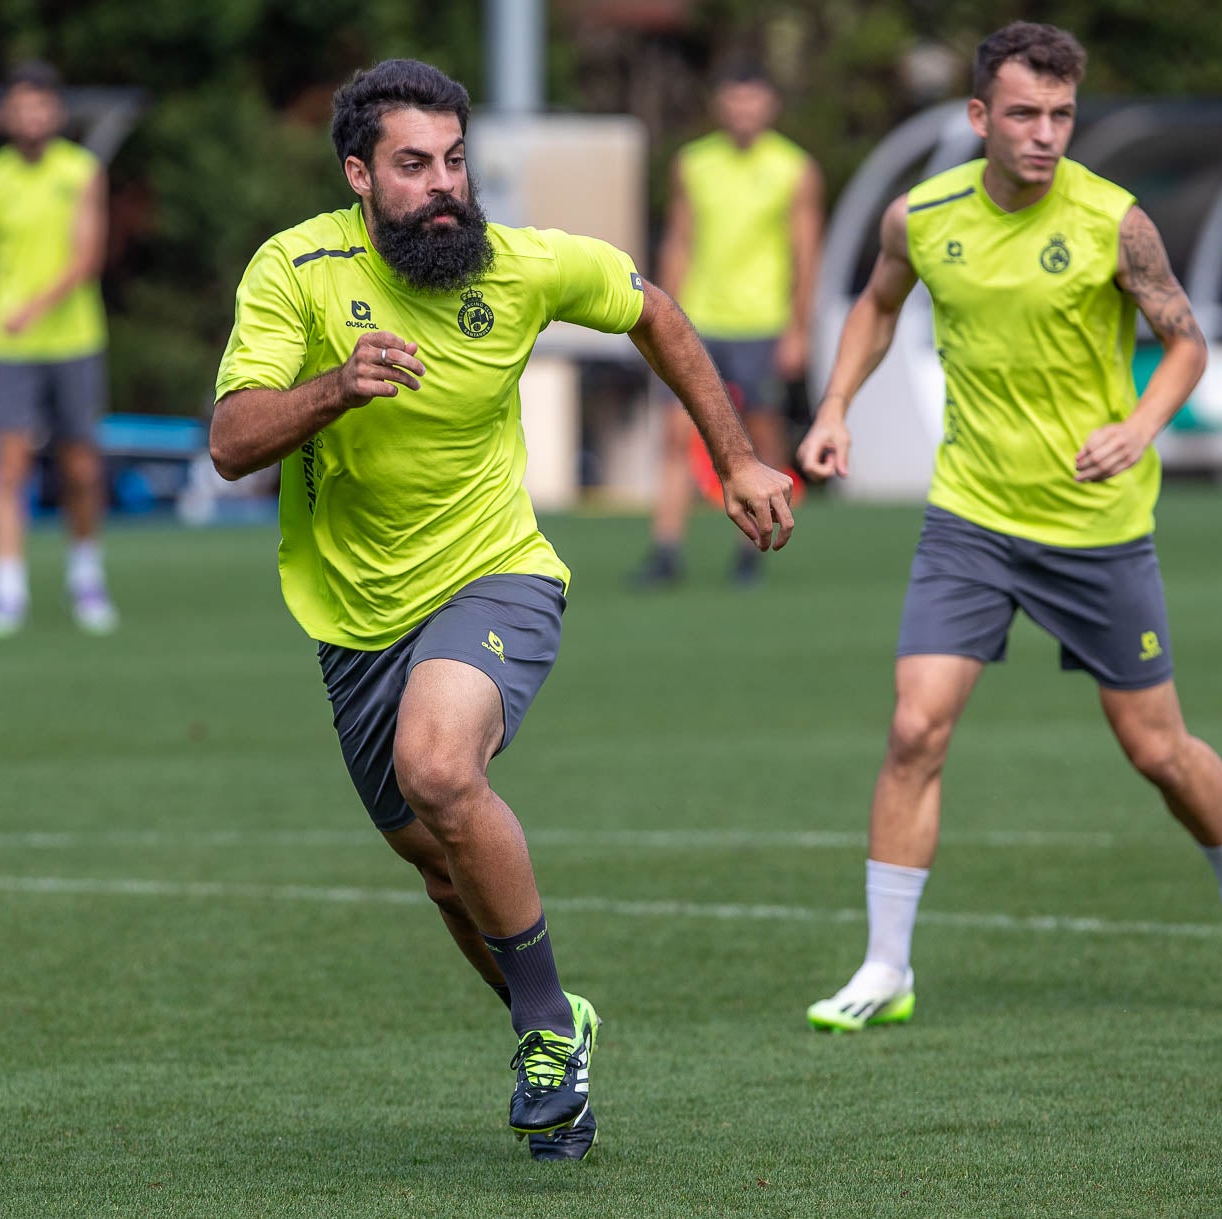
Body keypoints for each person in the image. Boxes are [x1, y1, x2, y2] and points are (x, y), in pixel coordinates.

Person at [210, 59, 794, 1160]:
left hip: (497, 573)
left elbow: (655, 312)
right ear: (358, 175)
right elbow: (232, 441)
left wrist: (737, 459)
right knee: (441, 866)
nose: (443, 184)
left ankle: (541, 1034)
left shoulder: (523, 264)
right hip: (353, 615)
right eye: (412, 164)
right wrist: (336, 385)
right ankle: (556, 1022)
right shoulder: (295, 269)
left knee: (439, 768)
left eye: (454, 160)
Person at [796, 22, 1222, 1031]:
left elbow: (1185, 343)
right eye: (1023, 113)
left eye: (1061, 115)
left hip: (1095, 526)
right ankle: (886, 966)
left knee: (1157, 750)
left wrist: (1138, 426)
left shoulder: (1116, 223)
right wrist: (833, 407)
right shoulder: (920, 216)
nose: (1043, 134)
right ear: (979, 116)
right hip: (971, 518)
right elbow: (877, 305)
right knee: (913, 728)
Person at [628, 59, 822, 589]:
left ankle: (754, 549)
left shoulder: (794, 167)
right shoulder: (694, 163)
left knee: (760, 438)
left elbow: (807, 253)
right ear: (720, 105)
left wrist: (799, 330)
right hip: (698, 320)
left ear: (769, 105)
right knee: (675, 434)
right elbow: (679, 241)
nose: (743, 110)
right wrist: (657, 314)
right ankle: (666, 550)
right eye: (734, 99)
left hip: (762, 323)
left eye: (752, 99)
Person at [0, 60, 117, 637]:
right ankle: (7, 591)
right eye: (20, 105)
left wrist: (32, 307)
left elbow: (86, 257)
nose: (31, 115)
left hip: (73, 339)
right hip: (10, 347)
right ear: (4, 115)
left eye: (40, 104)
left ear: (56, 112)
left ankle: (85, 576)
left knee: (80, 467)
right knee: (9, 466)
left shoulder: (81, 171)